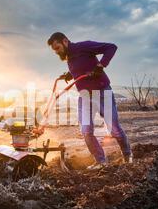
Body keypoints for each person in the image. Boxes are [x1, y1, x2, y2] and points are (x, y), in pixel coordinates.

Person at [47, 32, 132, 170]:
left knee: (114, 129)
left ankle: (127, 156)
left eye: (57, 48)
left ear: (65, 41)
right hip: (85, 96)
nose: (57, 52)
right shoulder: (69, 57)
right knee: (86, 131)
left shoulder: (84, 46)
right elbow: (81, 67)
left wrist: (100, 66)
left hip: (102, 92)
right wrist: (70, 74)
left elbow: (111, 47)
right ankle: (100, 161)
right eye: (54, 50)